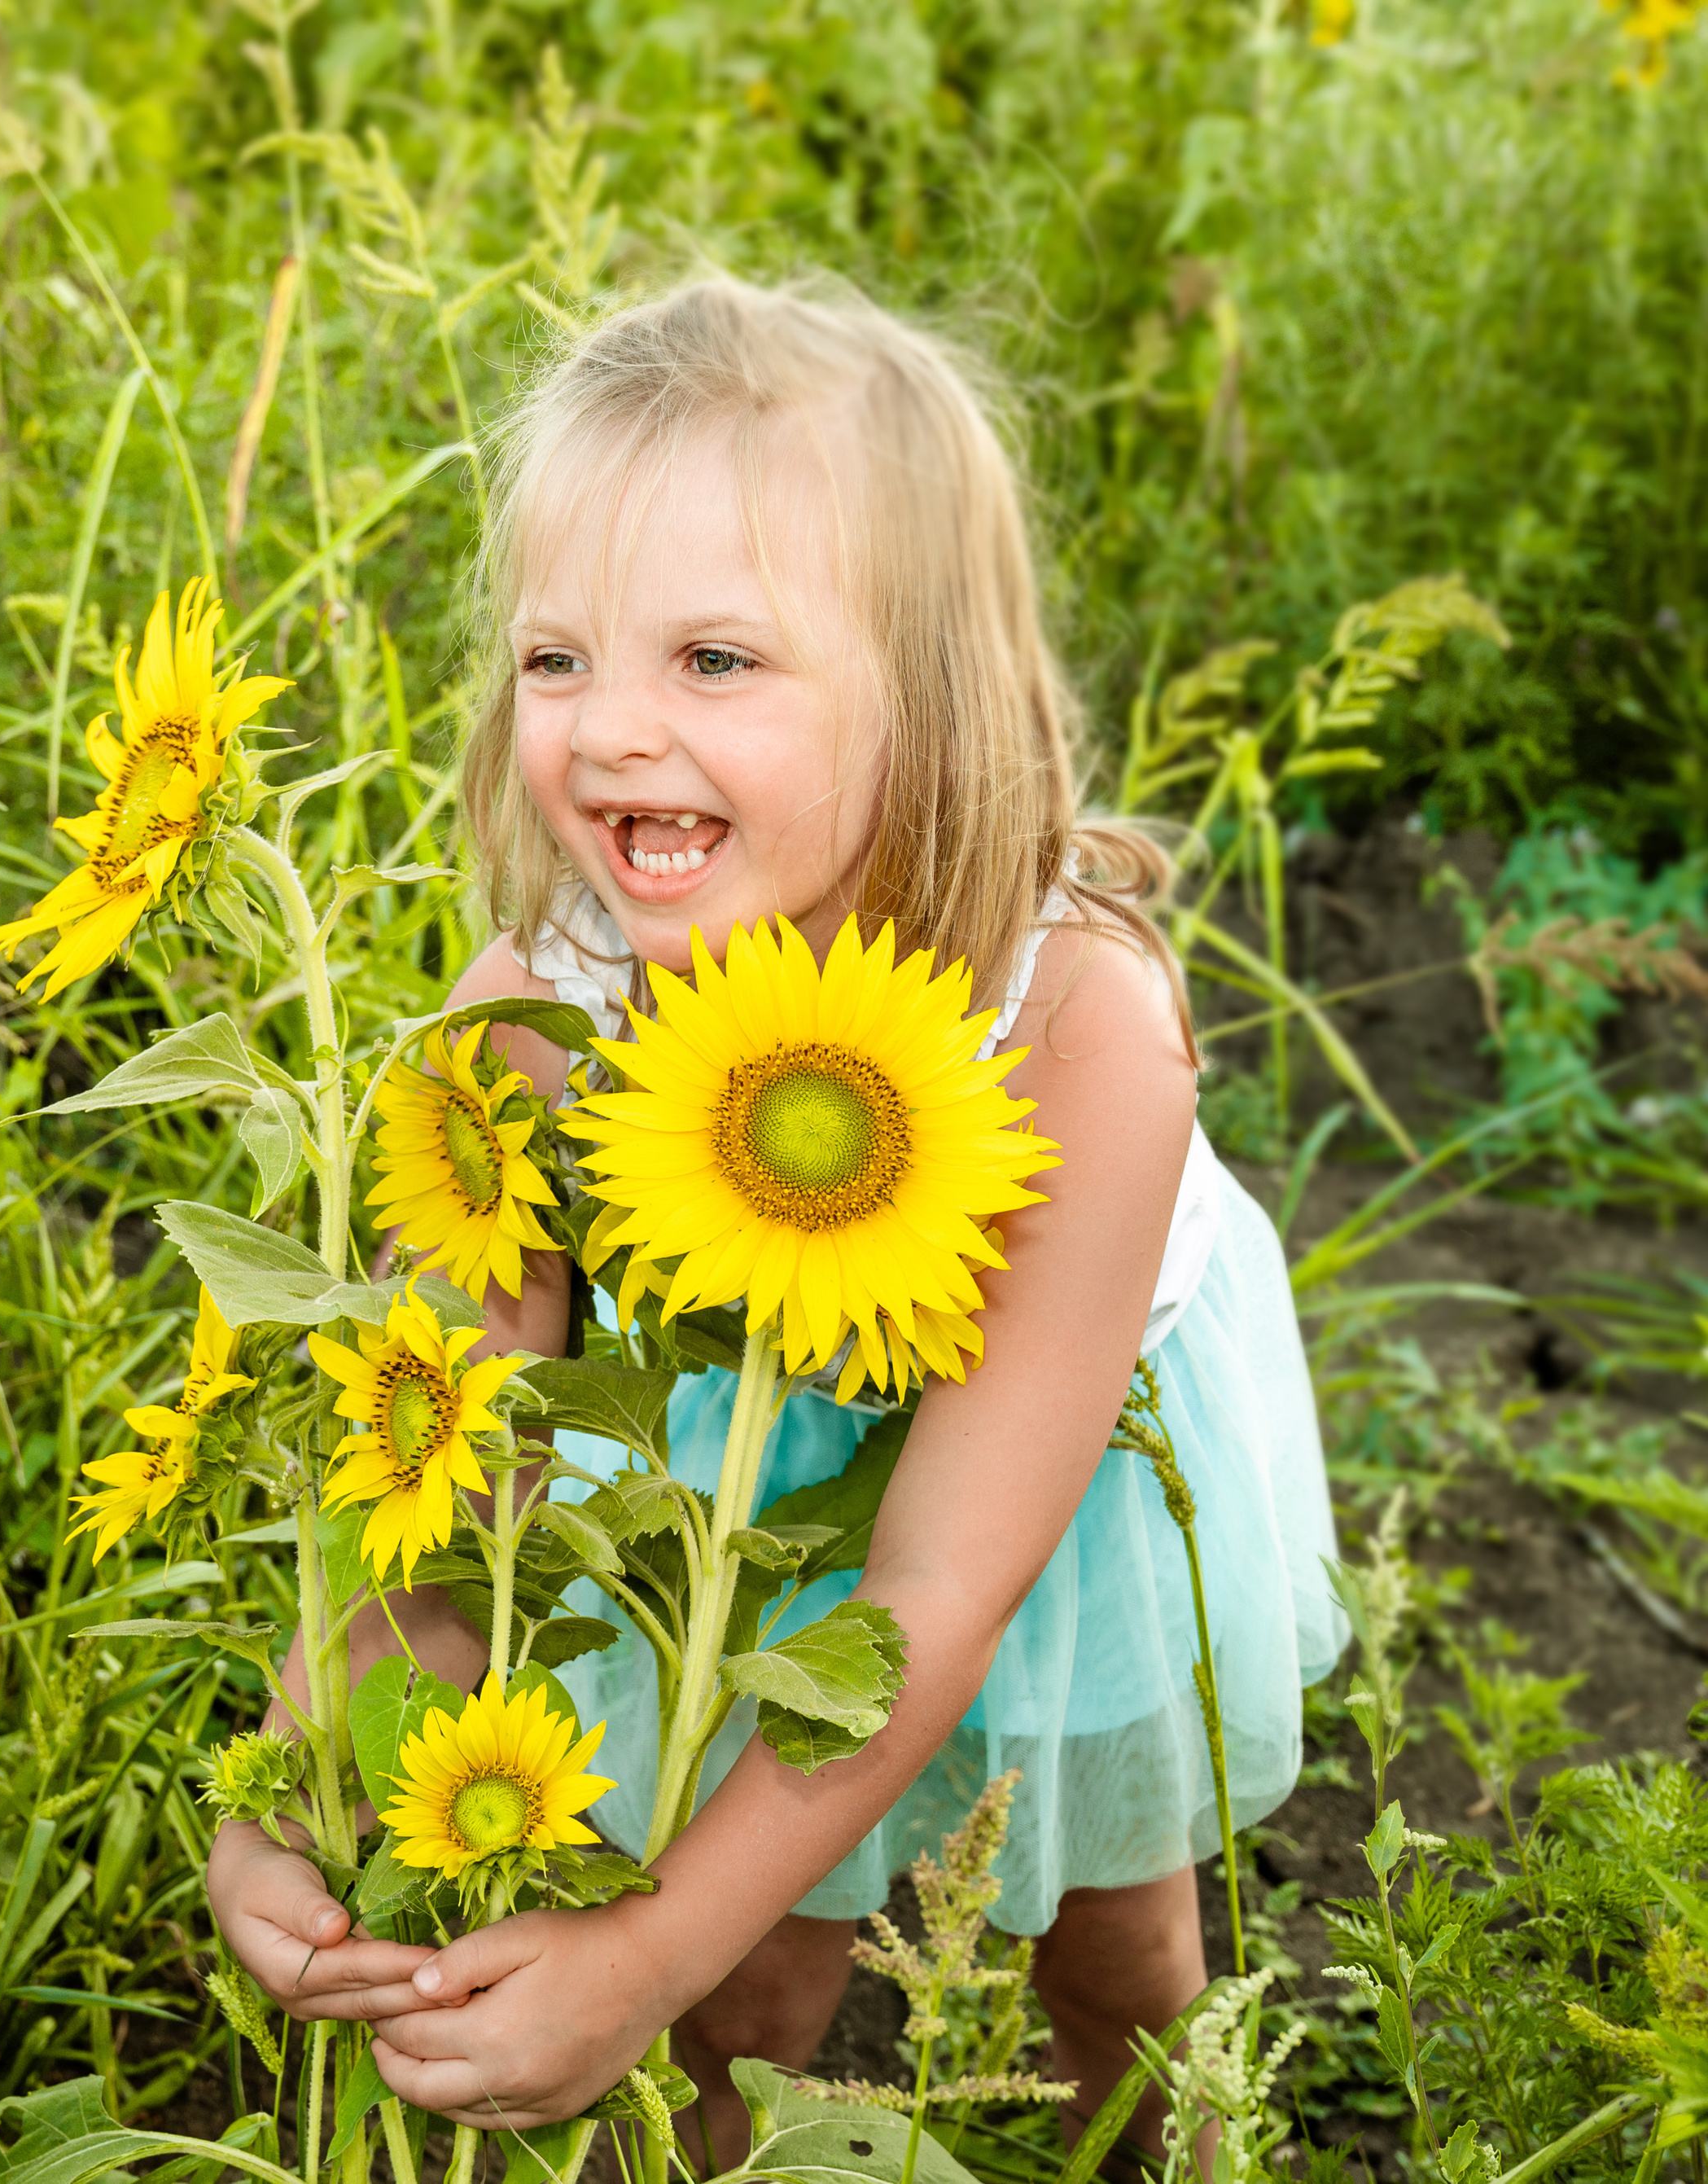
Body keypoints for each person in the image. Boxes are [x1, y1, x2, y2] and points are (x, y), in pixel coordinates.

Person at [206, 275, 1347, 2167]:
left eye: (714, 660)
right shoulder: (541, 1009)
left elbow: (936, 1585)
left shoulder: (1079, 1029)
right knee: (738, 2011)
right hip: (718, 1503)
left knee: (1119, 1959)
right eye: (555, 657)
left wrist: (637, 1944)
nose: (607, 732)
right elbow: (439, 1469)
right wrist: (290, 1783)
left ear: (929, 682)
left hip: (1052, 1499)